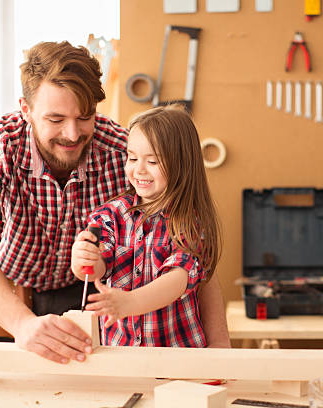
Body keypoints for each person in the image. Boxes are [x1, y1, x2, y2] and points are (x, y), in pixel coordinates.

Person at [0, 41, 230, 364]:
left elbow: (192, 254)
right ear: (26, 109)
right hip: (14, 298)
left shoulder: (122, 151)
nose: (72, 134)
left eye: (85, 117)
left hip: (96, 297)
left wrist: (219, 344)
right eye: (55, 119)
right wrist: (22, 323)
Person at [71, 105, 220, 347]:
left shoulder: (188, 223)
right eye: (132, 158)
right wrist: (83, 259)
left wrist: (130, 302)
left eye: (152, 161)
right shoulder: (112, 214)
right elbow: (96, 268)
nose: (138, 169)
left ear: (181, 164)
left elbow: (178, 279)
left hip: (178, 357)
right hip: (122, 358)